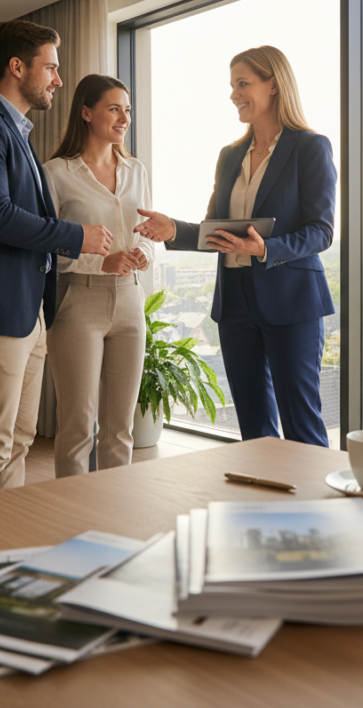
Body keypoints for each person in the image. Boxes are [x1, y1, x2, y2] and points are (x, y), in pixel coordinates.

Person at [0, 20, 113, 489]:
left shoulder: (16, 131)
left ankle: (5, 547)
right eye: (51, 67)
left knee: (18, 437)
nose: (58, 79)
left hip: (25, 311)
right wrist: (77, 236)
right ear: (17, 67)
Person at [135, 46, 335, 447]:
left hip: (291, 301)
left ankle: (314, 509)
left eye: (243, 84)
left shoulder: (310, 147)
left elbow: (322, 231)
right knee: (253, 426)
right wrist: (173, 228)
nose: (234, 95)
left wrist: (267, 248)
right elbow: (217, 231)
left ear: (274, 85)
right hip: (235, 302)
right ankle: (266, 505)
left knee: (301, 424)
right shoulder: (229, 156)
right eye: (232, 86)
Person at [42, 75, 153, 477]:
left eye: (127, 109)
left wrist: (144, 251)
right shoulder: (56, 173)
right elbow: (44, 246)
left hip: (129, 302)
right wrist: (98, 261)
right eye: (114, 108)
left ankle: (113, 512)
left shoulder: (136, 170)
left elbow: (148, 232)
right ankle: (72, 518)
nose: (124, 117)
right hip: (77, 302)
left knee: (120, 428)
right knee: (76, 426)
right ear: (86, 113)